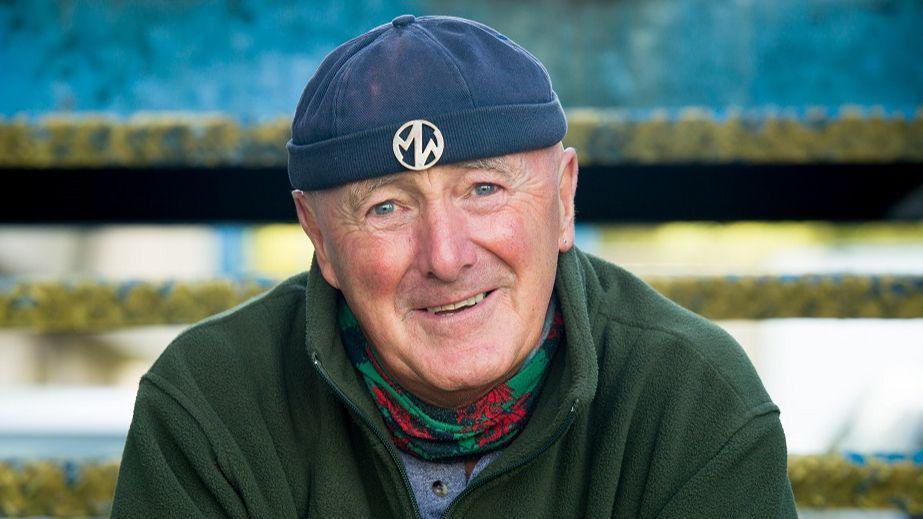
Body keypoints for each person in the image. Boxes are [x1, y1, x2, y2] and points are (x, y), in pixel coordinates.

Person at [111, 14, 797, 518]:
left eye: (483, 189)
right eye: (385, 207)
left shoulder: (690, 398)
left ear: (561, 199)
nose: (445, 256)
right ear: (318, 237)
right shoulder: (208, 402)